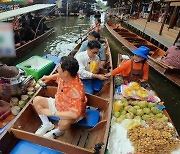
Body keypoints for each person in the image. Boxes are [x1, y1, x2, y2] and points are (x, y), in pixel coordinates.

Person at [33, 56, 87, 139]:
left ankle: (59, 131)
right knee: (36, 100)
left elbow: (75, 114)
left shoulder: (76, 91)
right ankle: (47, 125)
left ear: (65, 72)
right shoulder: (65, 76)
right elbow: (58, 75)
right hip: (58, 104)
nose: (57, 68)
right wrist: (49, 77)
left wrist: (52, 113)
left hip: (69, 111)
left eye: (59, 67)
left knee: (63, 124)